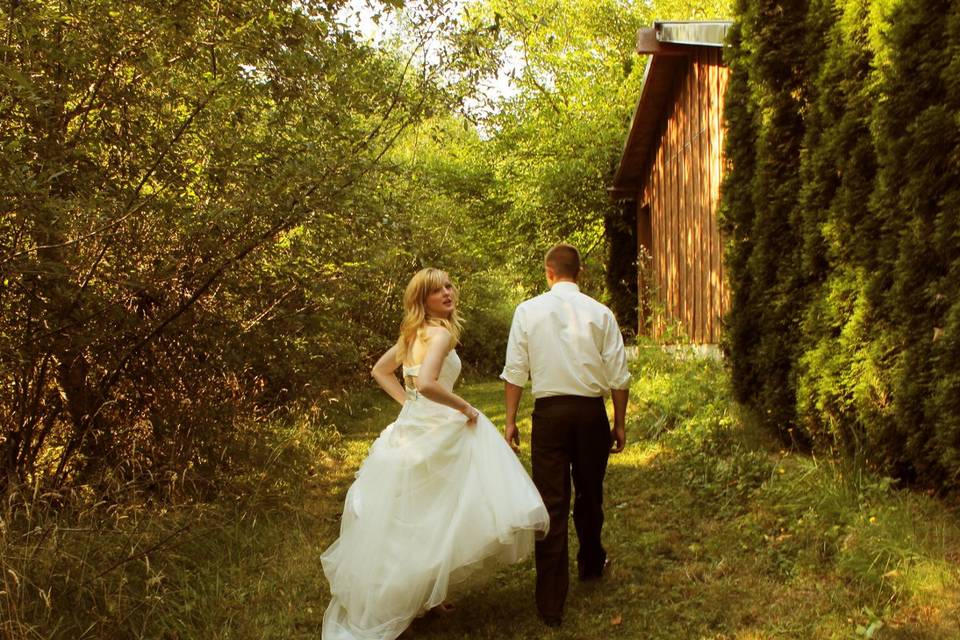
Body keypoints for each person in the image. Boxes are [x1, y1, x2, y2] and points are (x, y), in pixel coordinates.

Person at [321, 267, 549, 640]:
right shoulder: (440, 334)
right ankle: (412, 597)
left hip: (414, 425)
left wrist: (407, 404)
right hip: (434, 428)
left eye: (448, 285)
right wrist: (465, 408)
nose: (447, 292)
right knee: (438, 512)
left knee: (420, 514)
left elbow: (383, 371)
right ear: (421, 299)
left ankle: (423, 595)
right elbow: (426, 384)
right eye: (436, 290)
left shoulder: (412, 334)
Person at [500, 243, 631, 628]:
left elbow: (515, 371)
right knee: (590, 494)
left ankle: (551, 601)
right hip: (590, 413)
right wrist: (619, 422)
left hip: (550, 416)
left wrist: (510, 421)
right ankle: (591, 563)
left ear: (548, 272)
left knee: (552, 502)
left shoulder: (527, 311)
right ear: (580, 273)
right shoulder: (601, 313)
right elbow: (619, 375)